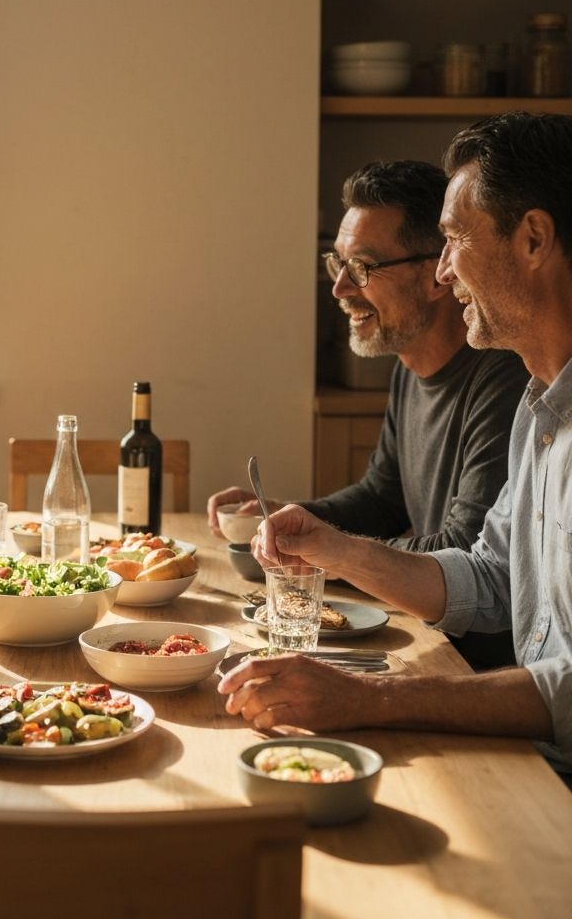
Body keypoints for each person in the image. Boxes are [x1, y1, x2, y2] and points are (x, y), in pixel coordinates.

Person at [220, 112, 572, 781]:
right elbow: (488, 578)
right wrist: (332, 547)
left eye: (455, 239)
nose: (445, 269)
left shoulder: (517, 392)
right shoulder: (541, 406)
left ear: (533, 238)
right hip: (529, 755)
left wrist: (371, 697)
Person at [207, 159, 527, 668]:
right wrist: (291, 517)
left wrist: (333, 552)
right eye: (337, 264)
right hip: (424, 638)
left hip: (473, 666)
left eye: (362, 267)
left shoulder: (505, 380)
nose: (340, 288)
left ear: (437, 273)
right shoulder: (409, 367)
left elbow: (464, 552)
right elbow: (381, 497)